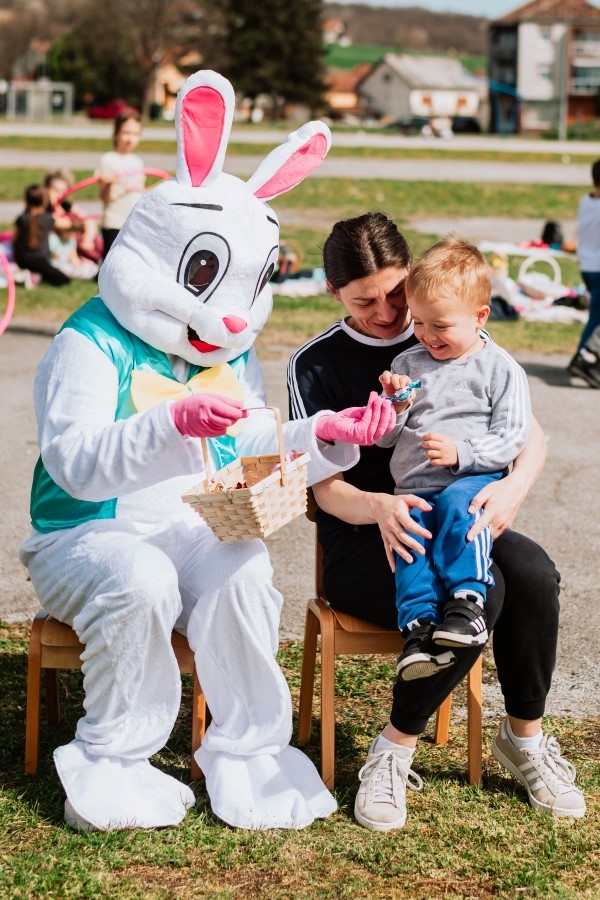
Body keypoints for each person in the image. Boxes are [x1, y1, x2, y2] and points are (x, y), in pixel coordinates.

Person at [19, 71, 396, 833]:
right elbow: (73, 463)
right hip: (86, 535)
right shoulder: (88, 341)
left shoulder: (221, 357)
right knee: (144, 577)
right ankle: (113, 757)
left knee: (245, 566)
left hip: (190, 525)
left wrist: (324, 435)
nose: (227, 314)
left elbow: (251, 434)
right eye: (204, 275)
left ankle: (249, 751)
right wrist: (170, 424)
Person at [288, 212, 586, 832]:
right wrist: (378, 507)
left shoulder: (440, 326)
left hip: (460, 510)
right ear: (332, 293)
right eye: (366, 301)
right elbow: (321, 490)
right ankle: (393, 750)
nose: (390, 314)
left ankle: (524, 738)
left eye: (397, 293)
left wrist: (512, 490)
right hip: (369, 536)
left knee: (532, 572)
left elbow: (530, 436)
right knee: (484, 593)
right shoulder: (313, 366)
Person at [376, 237, 531, 681]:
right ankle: (419, 629)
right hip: (413, 487)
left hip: (471, 480)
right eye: (419, 322)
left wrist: (463, 453)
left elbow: (514, 434)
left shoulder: (500, 369)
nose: (427, 335)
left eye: (440, 326)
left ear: (480, 316)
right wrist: (395, 409)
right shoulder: (408, 362)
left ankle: (466, 603)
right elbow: (385, 440)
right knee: (410, 545)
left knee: (459, 510)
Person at [96, 112, 145, 259]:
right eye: (126, 133)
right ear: (116, 134)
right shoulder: (108, 160)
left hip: (134, 223)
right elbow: (105, 198)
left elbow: (139, 192)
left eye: (135, 134)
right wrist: (108, 185)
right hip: (114, 223)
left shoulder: (138, 162)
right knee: (112, 266)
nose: (130, 138)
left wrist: (161, 186)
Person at [569, 158, 600, 387]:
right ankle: (585, 358)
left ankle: (581, 356)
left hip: (587, 266)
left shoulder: (586, 201)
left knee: (596, 317)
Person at [12, 184, 71, 286]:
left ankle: (30, 275)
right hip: (41, 260)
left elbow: (15, 239)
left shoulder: (21, 218)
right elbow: (67, 223)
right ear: (44, 201)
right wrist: (54, 203)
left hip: (21, 260)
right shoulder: (47, 218)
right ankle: (34, 276)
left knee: (45, 272)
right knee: (64, 280)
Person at [43, 168, 100, 260]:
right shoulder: (43, 205)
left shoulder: (66, 204)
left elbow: (88, 220)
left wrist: (87, 239)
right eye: (56, 190)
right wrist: (54, 203)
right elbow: (60, 223)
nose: (60, 195)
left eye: (63, 191)